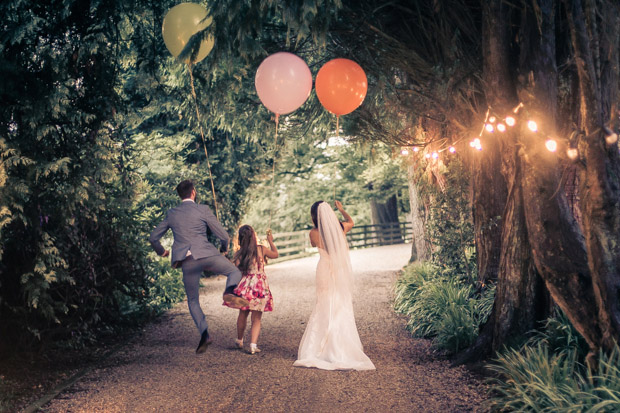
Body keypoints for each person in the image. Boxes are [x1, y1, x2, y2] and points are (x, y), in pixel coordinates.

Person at [149, 180, 249, 354]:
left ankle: (204, 334)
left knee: (193, 300)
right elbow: (223, 235)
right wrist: (223, 250)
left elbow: (153, 237)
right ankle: (230, 291)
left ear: (180, 195)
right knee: (234, 271)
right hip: (207, 254)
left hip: (187, 260)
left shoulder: (172, 213)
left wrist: (162, 252)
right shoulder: (202, 209)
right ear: (193, 192)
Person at [293, 200, 375, 370]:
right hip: (338, 270)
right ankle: (340, 346)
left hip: (323, 269)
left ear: (314, 216)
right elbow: (351, 222)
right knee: (339, 303)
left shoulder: (313, 233)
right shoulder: (340, 228)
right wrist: (342, 211)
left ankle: (317, 347)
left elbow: (314, 245)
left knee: (323, 303)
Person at [224, 225, 279, 354]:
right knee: (256, 318)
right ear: (253, 236)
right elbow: (275, 254)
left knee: (242, 314)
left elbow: (238, 272)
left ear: (241, 238)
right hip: (259, 287)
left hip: (245, 286)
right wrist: (270, 241)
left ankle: (239, 340)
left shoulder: (239, 254)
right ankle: (253, 345)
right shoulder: (261, 249)